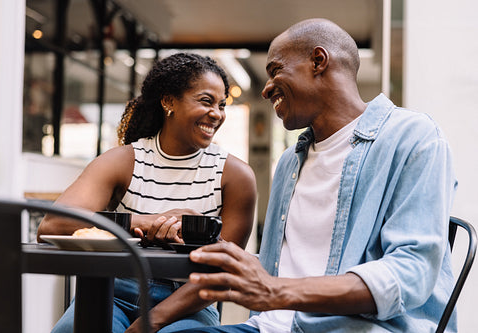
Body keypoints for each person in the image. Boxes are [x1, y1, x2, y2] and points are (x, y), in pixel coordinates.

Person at [173, 18, 458, 333]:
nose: (266, 90)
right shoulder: (289, 162)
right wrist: (218, 247)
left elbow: (411, 272)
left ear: (318, 61)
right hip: (268, 326)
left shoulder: (413, 138)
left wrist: (276, 290)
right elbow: (287, 265)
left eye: (275, 70)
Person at [37, 52, 257, 333]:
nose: (217, 114)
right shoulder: (123, 161)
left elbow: (222, 270)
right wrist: (147, 222)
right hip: (113, 292)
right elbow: (52, 225)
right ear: (168, 102)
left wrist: (146, 325)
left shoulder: (235, 176)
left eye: (222, 104)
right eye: (206, 101)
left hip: (188, 301)